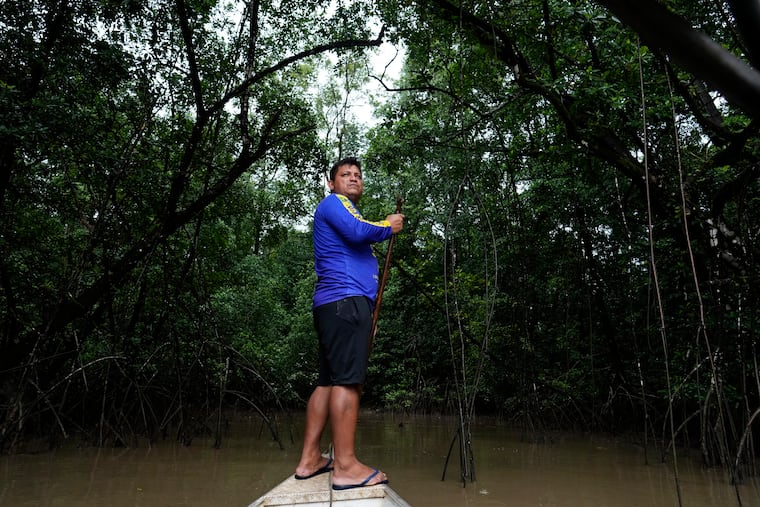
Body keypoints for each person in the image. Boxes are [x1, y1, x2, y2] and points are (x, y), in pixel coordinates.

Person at [294, 157, 404, 490]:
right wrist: (389, 226)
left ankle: (310, 459)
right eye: (345, 174)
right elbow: (359, 232)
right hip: (345, 302)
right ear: (332, 183)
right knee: (347, 382)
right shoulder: (335, 203)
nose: (353, 178)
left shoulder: (343, 210)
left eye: (357, 175)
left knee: (327, 382)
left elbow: (355, 238)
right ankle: (344, 467)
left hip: (336, 307)